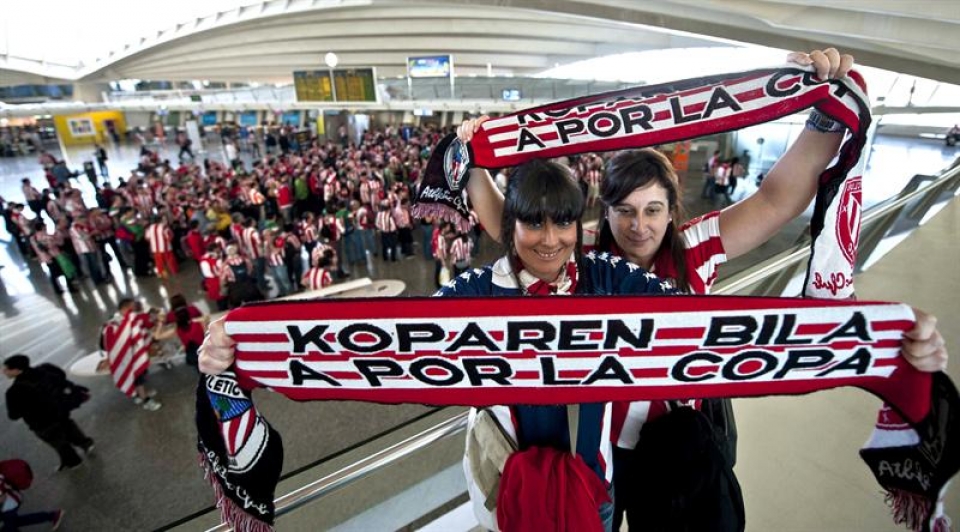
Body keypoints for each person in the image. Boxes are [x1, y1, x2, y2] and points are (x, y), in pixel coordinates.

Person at [456, 48, 950, 530]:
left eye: (653, 210)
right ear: (604, 212)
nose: (639, 227)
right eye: (624, 211)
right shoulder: (582, 250)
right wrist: (473, 157)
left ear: (672, 210)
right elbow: (512, 227)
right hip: (594, 449)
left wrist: (822, 115)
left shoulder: (694, 247)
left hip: (671, 452)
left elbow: (776, 200)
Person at [200, 159, 679, 531]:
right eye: (534, 224)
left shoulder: (605, 276)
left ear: (578, 226)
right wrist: (244, 340)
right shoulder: (476, 292)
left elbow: (683, 313)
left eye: (564, 224)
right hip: (514, 489)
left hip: (594, 489)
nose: (550, 240)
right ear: (510, 226)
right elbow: (390, 338)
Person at [4, 355, 94, 472]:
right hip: (60, 411)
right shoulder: (45, 369)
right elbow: (61, 376)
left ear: (17, 370)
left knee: (58, 442)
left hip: (42, 423)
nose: (3, 371)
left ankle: (74, 462)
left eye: (7, 369)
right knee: (69, 428)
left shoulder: (13, 392)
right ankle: (86, 444)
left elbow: (13, 415)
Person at [100, 299, 163, 411]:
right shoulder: (112, 325)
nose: (135, 309)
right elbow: (110, 346)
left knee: (140, 375)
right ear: (125, 308)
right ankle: (146, 400)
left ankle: (140, 394)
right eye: (133, 307)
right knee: (137, 377)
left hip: (136, 353)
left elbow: (144, 324)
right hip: (127, 358)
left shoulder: (132, 318)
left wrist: (154, 316)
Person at [1, 462, 65, 530]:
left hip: (8, 506)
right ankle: (53, 516)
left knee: (10, 525)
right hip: (11, 502)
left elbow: (2, 498)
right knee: (15, 522)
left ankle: (52, 516)